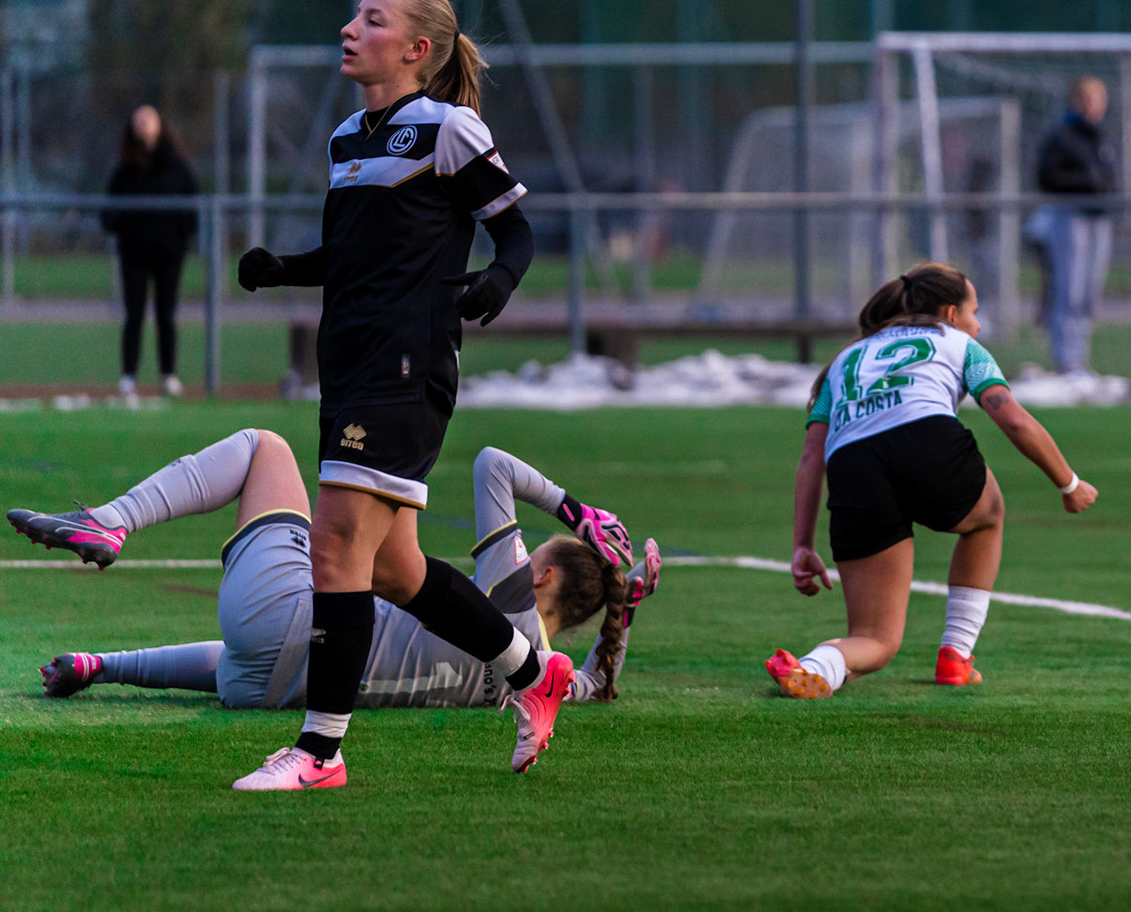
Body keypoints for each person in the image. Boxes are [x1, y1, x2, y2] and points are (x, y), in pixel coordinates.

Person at [226, 0, 560, 790]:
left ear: (416, 50)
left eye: (371, 20)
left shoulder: (448, 128)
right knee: (393, 570)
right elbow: (349, 258)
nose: (349, 28)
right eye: (354, 14)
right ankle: (531, 674)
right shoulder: (348, 138)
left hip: (407, 366)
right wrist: (283, 269)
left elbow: (516, 227)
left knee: (336, 541)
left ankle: (320, 752)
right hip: (348, 362)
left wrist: (497, 281)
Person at [15, 433, 658, 717]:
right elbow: (600, 682)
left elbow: (493, 464)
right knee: (274, 641)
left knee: (265, 449)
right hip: (275, 686)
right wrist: (621, 616)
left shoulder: (512, 599)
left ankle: (113, 518)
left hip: (288, 621)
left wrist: (574, 511)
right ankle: (102, 665)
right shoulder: (543, 682)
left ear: (540, 575)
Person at [768, 262, 1099, 700]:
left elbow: (812, 455)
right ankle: (956, 656)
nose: (977, 323)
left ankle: (817, 665)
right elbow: (1013, 419)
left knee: (876, 639)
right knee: (988, 516)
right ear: (949, 313)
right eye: (974, 310)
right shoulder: (959, 343)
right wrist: (1068, 483)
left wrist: (802, 545)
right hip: (926, 438)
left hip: (852, 465)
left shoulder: (847, 357)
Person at [102, 105, 198, 401]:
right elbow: (109, 211)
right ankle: (128, 376)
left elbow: (191, 205)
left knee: (166, 313)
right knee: (133, 314)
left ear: (160, 125)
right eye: (138, 121)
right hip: (134, 254)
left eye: (148, 119)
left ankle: (168, 375)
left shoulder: (176, 166)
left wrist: (180, 238)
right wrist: (122, 230)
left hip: (169, 253)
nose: (143, 125)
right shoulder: (125, 169)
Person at [1035, 77, 1117, 372]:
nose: (1093, 106)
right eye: (1087, 99)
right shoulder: (1062, 135)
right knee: (1070, 290)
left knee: (1090, 293)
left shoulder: (1100, 137)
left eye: (1098, 100)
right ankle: (1067, 360)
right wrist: (1085, 183)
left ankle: (1080, 358)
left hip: (1099, 218)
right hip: (1071, 217)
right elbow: (1046, 177)